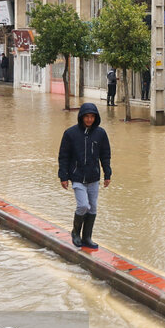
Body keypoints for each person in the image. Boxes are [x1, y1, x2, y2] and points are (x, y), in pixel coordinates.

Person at [58, 103, 112, 249]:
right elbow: (63, 156)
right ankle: (75, 232)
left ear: (96, 118)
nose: (89, 120)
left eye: (92, 117)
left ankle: (87, 237)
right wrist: (63, 176)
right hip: (77, 177)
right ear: (81, 117)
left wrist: (107, 173)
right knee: (83, 205)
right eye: (87, 116)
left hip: (93, 177)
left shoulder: (101, 134)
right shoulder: (70, 134)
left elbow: (105, 155)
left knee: (92, 208)